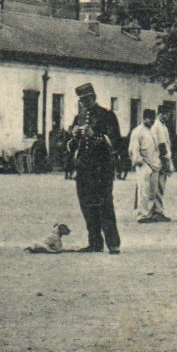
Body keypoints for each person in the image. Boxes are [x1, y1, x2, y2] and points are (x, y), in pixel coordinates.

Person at [68, 83, 123, 254]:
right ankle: (94, 242)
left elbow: (115, 142)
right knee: (87, 205)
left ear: (94, 97)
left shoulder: (107, 116)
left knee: (104, 204)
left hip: (101, 168)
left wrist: (97, 136)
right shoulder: (79, 118)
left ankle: (113, 243)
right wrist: (74, 136)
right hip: (84, 168)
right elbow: (72, 146)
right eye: (81, 100)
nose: (84, 103)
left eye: (86, 99)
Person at [130, 109, 172, 223]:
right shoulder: (138, 131)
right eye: (149, 119)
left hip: (154, 164)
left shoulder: (152, 131)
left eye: (153, 119)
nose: (152, 121)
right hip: (143, 164)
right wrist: (140, 162)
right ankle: (142, 215)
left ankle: (150, 212)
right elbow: (134, 150)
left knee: (152, 192)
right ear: (144, 118)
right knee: (143, 191)